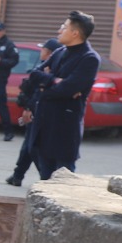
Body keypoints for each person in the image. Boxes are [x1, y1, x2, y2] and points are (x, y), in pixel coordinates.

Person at [31, 11, 102, 180]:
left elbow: (67, 88)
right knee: (44, 183)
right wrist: (55, 80)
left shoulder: (89, 58)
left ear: (75, 33)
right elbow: (33, 75)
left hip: (64, 133)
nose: (59, 30)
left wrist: (46, 86)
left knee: (61, 187)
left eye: (64, 27)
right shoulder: (59, 52)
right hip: (43, 128)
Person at [6, 38, 61, 186]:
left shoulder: (50, 73)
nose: (41, 52)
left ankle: (46, 178)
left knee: (35, 149)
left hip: (41, 117)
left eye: (43, 49)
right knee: (28, 147)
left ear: (49, 53)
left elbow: (39, 94)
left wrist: (29, 108)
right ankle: (18, 175)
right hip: (34, 114)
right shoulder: (41, 69)